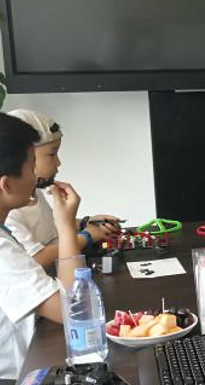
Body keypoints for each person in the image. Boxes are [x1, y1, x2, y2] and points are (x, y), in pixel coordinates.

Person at [0, 113, 83, 385]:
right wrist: (66, 225)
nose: (36, 174)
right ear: (6, 184)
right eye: (30, 165)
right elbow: (73, 310)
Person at [4, 109, 120, 268]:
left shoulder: (34, 193)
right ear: (26, 156)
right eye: (52, 154)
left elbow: (51, 227)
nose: (58, 163)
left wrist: (85, 223)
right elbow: (37, 258)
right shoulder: (11, 212)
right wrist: (86, 236)